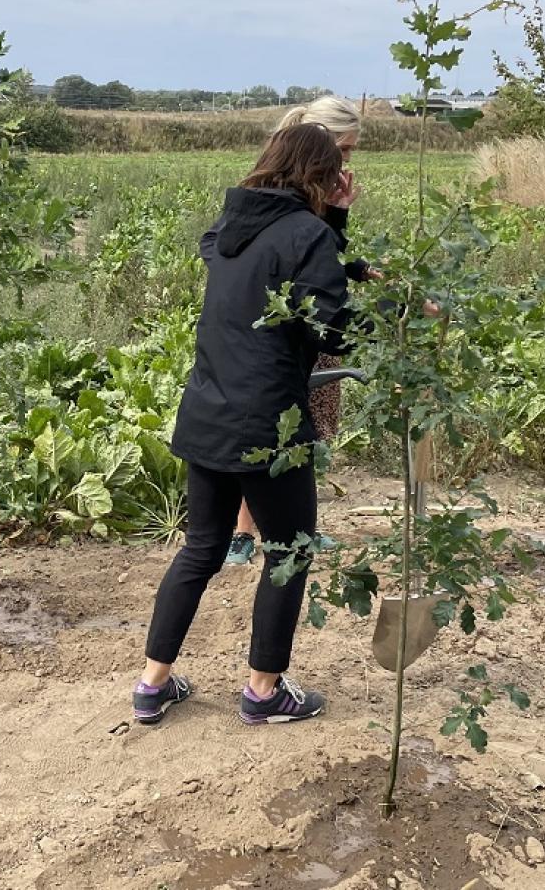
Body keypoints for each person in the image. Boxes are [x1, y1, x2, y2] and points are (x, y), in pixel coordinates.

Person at [134, 123, 360, 726]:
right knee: (288, 551)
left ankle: (152, 686)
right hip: (271, 428)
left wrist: (329, 225)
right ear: (318, 174)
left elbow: (280, 270)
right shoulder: (307, 233)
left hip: (208, 413)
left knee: (202, 548)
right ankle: (264, 693)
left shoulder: (229, 230)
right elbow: (332, 329)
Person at [227, 95, 371, 566]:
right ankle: (244, 534)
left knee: (302, 430)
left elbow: (326, 253)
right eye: (344, 150)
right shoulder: (286, 184)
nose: (346, 161)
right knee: (273, 429)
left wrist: (346, 228)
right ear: (321, 143)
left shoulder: (313, 186)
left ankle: (293, 530)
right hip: (288, 329)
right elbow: (309, 254)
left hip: (302, 321)